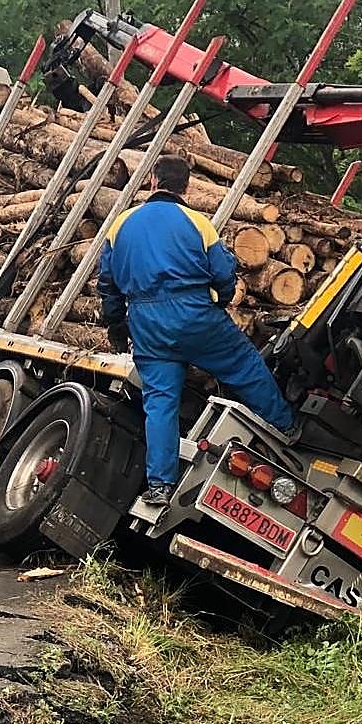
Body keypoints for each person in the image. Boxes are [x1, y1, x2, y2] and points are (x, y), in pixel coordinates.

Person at [98, 156, 293, 505]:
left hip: (146, 322)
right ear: (186, 188)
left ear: (153, 182)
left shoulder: (120, 224)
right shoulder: (199, 223)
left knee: (160, 402)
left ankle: (160, 485)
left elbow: (108, 283)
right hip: (194, 314)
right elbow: (223, 275)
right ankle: (285, 428)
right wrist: (221, 300)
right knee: (244, 366)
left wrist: (116, 322)